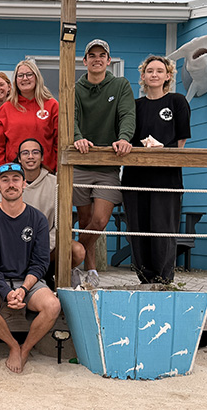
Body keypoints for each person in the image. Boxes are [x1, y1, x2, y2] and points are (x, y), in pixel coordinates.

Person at [0, 162, 61, 374]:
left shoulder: (37, 218)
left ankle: (25, 349)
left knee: (53, 306)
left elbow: (40, 262)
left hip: (27, 280)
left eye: (15, 179)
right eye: (5, 180)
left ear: (24, 184)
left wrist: (23, 290)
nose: (10, 184)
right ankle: (13, 345)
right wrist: (7, 292)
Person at [122, 55, 191, 284]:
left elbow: (181, 141)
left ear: (168, 76)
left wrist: (163, 149)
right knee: (139, 229)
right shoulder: (135, 105)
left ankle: (163, 279)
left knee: (162, 228)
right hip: (135, 177)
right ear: (142, 76)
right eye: (150, 71)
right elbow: (126, 137)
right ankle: (145, 278)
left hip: (166, 178)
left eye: (159, 71)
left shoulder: (177, 101)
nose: (154, 75)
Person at [73, 39, 136, 288]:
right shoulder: (76, 88)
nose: (97, 59)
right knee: (85, 217)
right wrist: (77, 138)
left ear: (108, 60)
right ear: (85, 60)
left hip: (108, 165)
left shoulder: (120, 85)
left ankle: (74, 255)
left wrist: (124, 138)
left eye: (102, 55)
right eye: (92, 55)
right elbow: (72, 118)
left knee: (99, 221)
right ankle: (89, 269)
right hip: (81, 163)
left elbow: (127, 114)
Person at [9, 138, 86, 288]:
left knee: (77, 251)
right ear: (19, 158)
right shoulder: (9, 183)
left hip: (46, 245)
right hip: (16, 246)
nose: (30, 156)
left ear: (42, 157)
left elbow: (61, 223)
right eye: (25, 153)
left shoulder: (56, 183)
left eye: (35, 152)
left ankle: (51, 274)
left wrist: (41, 246)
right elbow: (3, 221)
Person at [0, 60, 59, 176]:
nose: (25, 78)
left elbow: (59, 142)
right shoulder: (6, 109)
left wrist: (57, 169)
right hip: (13, 174)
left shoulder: (51, 105)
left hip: (46, 174)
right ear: (15, 80)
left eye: (29, 74)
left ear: (36, 77)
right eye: (20, 75)